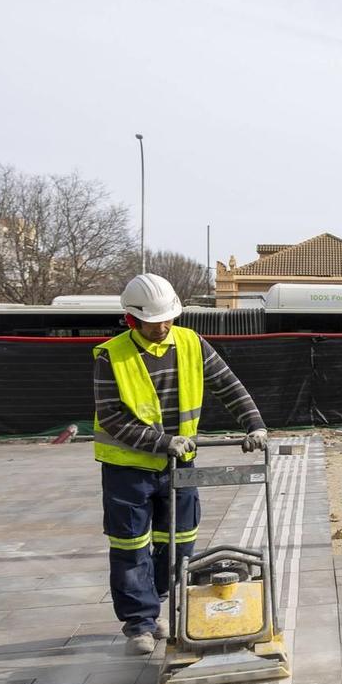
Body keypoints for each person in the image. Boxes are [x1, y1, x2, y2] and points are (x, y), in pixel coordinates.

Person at [94, 273, 268, 655]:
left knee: (179, 543)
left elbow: (229, 385)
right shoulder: (113, 355)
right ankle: (139, 622)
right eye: (154, 323)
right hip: (128, 469)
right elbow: (111, 417)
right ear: (131, 320)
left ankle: (156, 602)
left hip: (181, 464)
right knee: (130, 547)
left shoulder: (191, 343)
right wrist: (161, 441)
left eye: (168, 320)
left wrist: (254, 424)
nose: (162, 328)